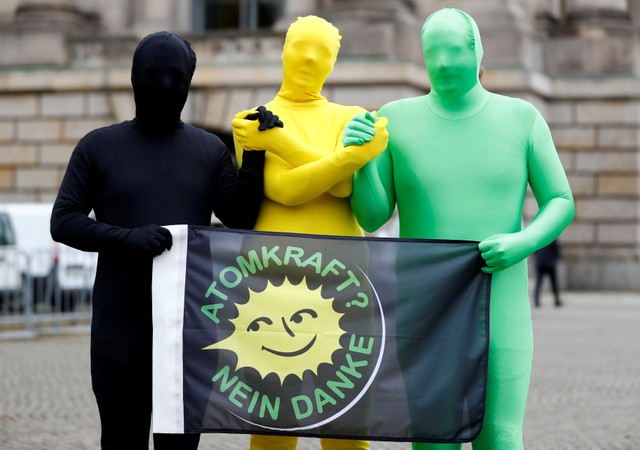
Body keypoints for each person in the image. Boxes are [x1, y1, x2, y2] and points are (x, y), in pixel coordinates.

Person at [345, 7, 574, 449]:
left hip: (500, 303)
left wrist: (522, 241)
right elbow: (372, 215)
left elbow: (560, 200)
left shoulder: (521, 118)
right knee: (432, 438)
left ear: (479, 52)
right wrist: (358, 163)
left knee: (500, 436)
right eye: (434, 51)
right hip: (425, 308)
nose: (444, 61)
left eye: (455, 50)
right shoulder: (395, 118)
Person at [50, 31, 266, 450]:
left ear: (189, 82)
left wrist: (255, 154)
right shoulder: (98, 146)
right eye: (154, 75)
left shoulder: (209, 150)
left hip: (187, 328)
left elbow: (240, 217)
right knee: (121, 440)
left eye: (176, 77)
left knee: (180, 445)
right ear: (134, 78)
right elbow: (64, 221)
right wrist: (126, 239)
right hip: (119, 327)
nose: (165, 86)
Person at [232, 15, 388, 450]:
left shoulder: (350, 116)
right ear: (283, 50)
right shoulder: (251, 121)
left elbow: (339, 187)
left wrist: (278, 142)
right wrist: (347, 158)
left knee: (346, 423)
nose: (309, 58)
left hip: (344, 289)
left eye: (322, 52)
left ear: (334, 62)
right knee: (272, 422)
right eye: (300, 46)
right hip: (271, 291)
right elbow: (283, 189)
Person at [534, 239, 562, 307]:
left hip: (541, 263)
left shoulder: (541, 238)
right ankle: (557, 300)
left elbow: (535, 251)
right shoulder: (553, 238)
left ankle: (537, 300)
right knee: (553, 283)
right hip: (550, 263)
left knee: (539, 283)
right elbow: (557, 251)